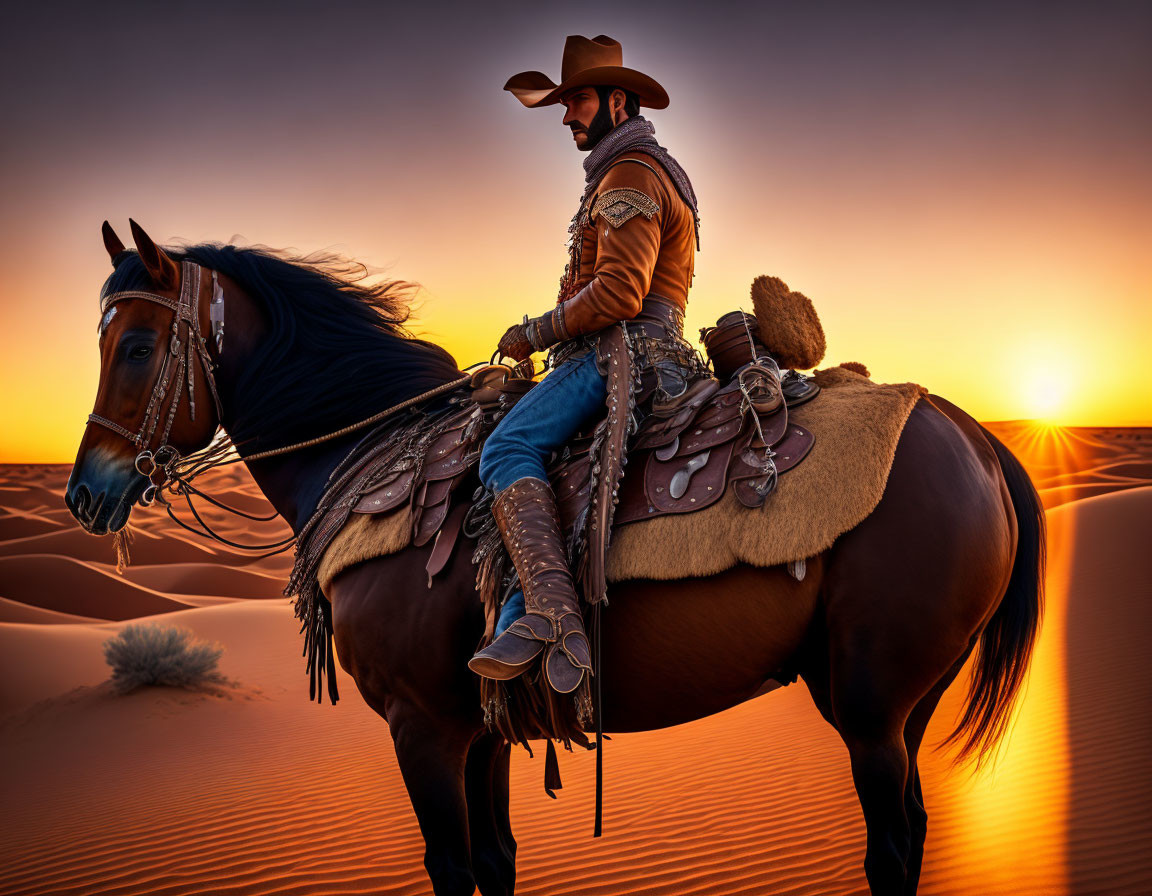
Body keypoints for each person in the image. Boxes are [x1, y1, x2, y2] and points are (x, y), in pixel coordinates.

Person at [468, 35, 702, 698]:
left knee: (507, 444)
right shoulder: (638, 169)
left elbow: (621, 293)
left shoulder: (629, 175)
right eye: (564, 102)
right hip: (636, 347)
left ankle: (557, 616)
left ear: (617, 100)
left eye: (578, 100)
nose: (568, 115)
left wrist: (532, 332)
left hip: (621, 354)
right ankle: (526, 620)